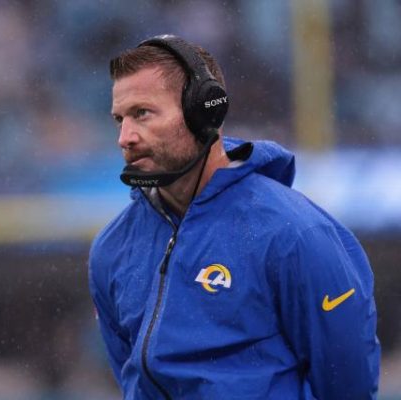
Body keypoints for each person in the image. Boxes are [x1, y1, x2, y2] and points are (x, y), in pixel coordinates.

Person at [88, 34, 380, 399]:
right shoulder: (111, 248)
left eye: (142, 114)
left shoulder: (296, 234)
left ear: (204, 111)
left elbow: (348, 386)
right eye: (119, 119)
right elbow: (129, 377)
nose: (125, 137)